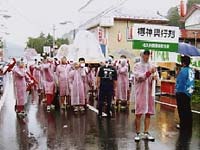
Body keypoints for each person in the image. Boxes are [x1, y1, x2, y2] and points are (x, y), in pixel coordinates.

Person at [133, 50, 157, 142]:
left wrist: (155, 77)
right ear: (141, 55)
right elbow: (139, 77)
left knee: (148, 113)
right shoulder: (137, 66)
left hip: (149, 93)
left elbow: (156, 77)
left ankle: (146, 132)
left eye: (148, 54)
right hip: (141, 92)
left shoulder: (152, 65)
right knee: (138, 113)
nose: (147, 56)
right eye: (145, 54)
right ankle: (138, 133)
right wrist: (148, 73)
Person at [175, 55, 194, 130]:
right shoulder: (191, 70)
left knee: (182, 109)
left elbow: (181, 83)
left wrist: (177, 91)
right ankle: (189, 125)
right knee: (187, 109)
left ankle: (183, 125)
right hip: (189, 92)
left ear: (183, 63)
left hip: (182, 92)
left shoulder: (183, 71)